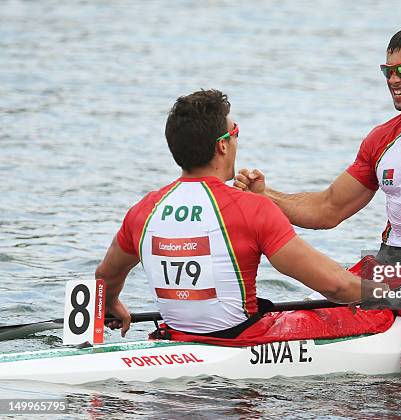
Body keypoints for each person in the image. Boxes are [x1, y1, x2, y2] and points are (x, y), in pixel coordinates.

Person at [234, 23, 401, 373]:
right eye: (387, 71)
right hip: (386, 268)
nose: (393, 79)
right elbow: (328, 209)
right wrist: (265, 196)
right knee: (301, 318)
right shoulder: (381, 139)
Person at [95, 89, 382, 339]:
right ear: (222, 145)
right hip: (239, 342)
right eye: (235, 133)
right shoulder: (252, 208)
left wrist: (110, 303)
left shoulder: (143, 210)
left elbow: (106, 276)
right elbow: (335, 285)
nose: (236, 140)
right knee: (381, 308)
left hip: (176, 335)